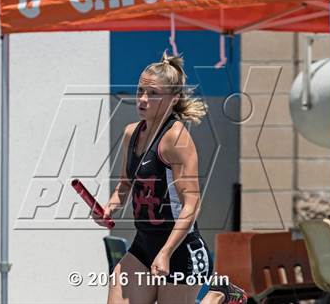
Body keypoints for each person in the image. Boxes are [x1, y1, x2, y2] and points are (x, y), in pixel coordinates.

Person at [93, 50, 247, 304]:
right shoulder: (132, 133)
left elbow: (192, 204)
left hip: (180, 249)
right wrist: (110, 207)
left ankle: (218, 296)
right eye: (140, 90)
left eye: (153, 94)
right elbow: (126, 184)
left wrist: (165, 252)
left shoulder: (176, 140)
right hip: (143, 245)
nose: (143, 99)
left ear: (174, 99)